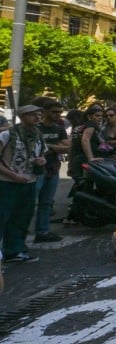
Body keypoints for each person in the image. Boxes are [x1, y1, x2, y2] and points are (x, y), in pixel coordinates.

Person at [0, 105, 47, 264]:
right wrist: (13, 175)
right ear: (22, 116)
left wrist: (41, 161)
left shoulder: (38, 135)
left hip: (29, 182)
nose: (37, 117)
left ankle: (14, 250)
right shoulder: (7, 135)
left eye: (39, 114)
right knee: (4, 217)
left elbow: (42, 155)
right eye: (32, 114)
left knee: (22, 217)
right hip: (7, 182)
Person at [32, 97, 69, 244]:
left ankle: (42, 232)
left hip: (52, 168)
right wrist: (56, 147)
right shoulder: (36, 128)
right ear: (45, 111)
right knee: (28, 202)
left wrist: (51, 147)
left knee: (46, 203)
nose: (58, 115)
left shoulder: (59, 128)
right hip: (36, 170)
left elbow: (69, 147)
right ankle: (18, 231)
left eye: (60, 112)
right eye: (54, 112)